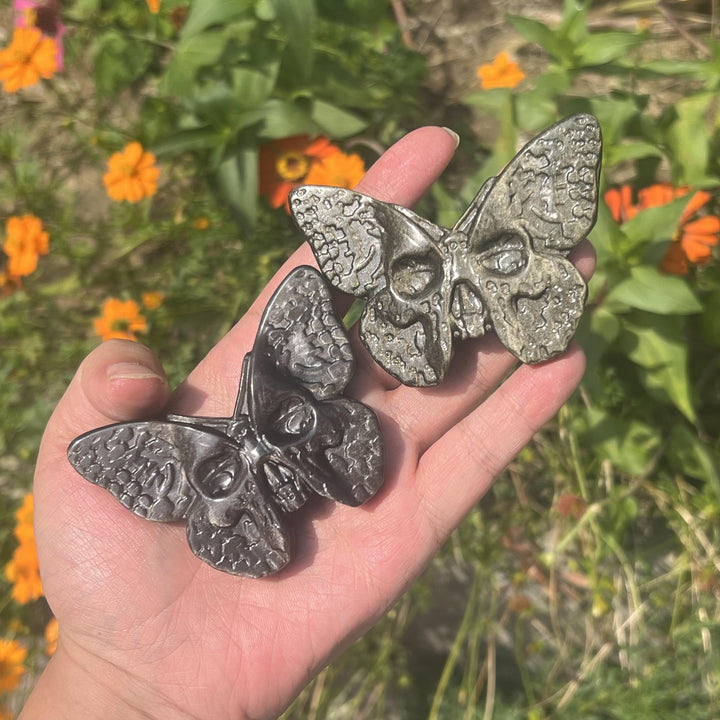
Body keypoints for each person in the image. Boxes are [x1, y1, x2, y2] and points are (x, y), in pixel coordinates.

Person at [21, 126, 594, 720]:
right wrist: (120, 682)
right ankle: (285, 435)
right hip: (309, 454)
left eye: (283, 420)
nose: (259, 456)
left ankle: (262, 451)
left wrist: (117, 687)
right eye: (215, 470)